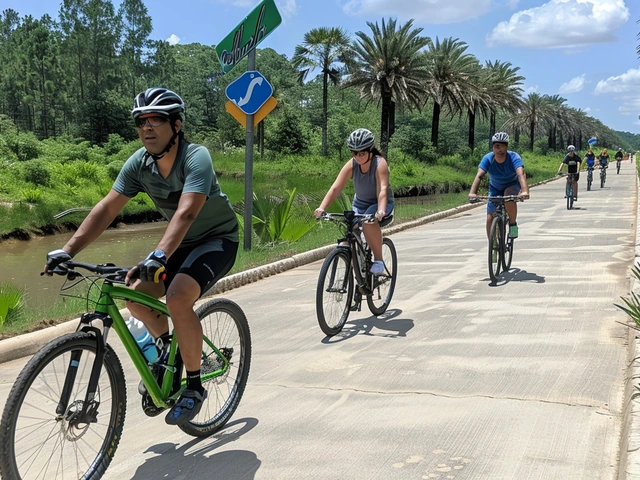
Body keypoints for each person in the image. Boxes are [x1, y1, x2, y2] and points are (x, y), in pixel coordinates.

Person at [43, 87, 239, 426]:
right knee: (135, 297)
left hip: (216, 240)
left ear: (176, 125)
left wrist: (159, 254)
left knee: (177, 299)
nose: (147, 127)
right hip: (176, 245)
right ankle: (169, 352)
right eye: (140, 121)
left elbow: (187, 213)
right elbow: (107, 208)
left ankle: (193, 387)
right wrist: (68, 250)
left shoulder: (196, 157)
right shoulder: (140, 164)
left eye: (156, 119)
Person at [314, 128, 394, 275]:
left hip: (379, 204)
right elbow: (335, 188)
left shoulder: (379, 163)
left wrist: (381, 210)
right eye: (354, 152)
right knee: (349, 232)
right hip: (360, 205)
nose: (357, 156)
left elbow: (382, 190)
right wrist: (321, 208)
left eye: (361, 153)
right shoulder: (352, 164)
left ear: (370, 151)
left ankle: (378, 260)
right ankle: (356, 261)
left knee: (368, 223)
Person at [468, 132, 529, 239]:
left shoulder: (514, 157)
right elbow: (479, 175)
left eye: (502, 146)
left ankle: (512, 224)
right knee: (490, 218)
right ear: (492, 147)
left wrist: (524, 191)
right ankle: (492, 244)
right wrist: (473, 193)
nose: (499, 149)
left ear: (507, 147)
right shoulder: (488, 159)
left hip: (512, 185)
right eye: (496, 146)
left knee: (508, 196)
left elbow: (521, 174)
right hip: (495, 188)